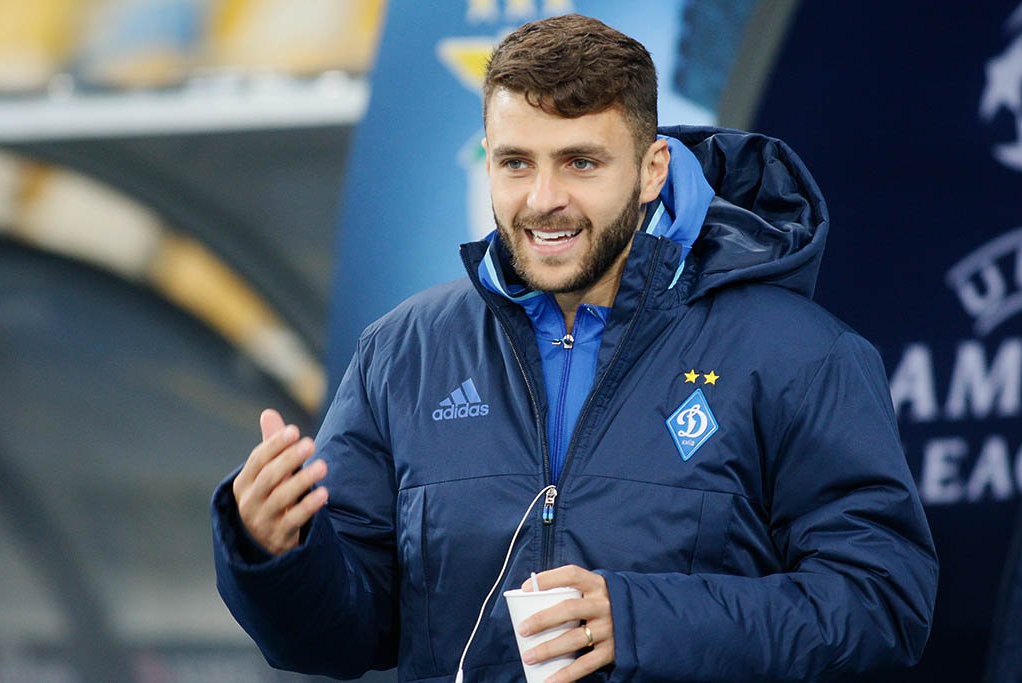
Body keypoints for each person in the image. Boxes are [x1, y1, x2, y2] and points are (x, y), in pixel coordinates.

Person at [212, 13, 938, 683]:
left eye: (581, 162)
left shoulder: (801, 355)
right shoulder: (403, 352)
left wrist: (640, 621)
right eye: (515, 162)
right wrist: (276, 553)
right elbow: (346, 633)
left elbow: (882, 601)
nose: (543, 199)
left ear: (653, 169)